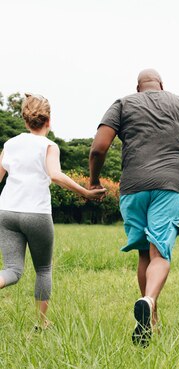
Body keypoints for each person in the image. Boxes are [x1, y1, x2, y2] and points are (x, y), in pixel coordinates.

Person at [89, 69, 179, 346]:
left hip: (133, 187)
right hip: (169, 185)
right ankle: (149, 300)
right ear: (161, 85)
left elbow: (98, 148)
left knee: (145, 253)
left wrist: (94, 180)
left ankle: (151, 321)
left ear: (138, 88)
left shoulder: (122, 104)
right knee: (160, 253)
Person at [0, 94, 105, 329]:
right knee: (43, 269)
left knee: (12, 270)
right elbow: (55, 175)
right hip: (36, 213)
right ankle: (41, 323)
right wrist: (86, 193)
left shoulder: (10, 144)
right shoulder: (49, 145)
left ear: (25, 120)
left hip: (5, 212)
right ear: (49, 120)